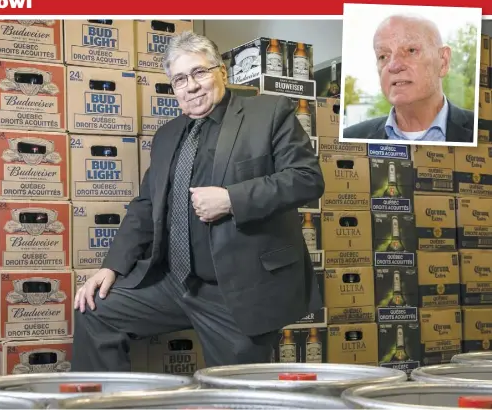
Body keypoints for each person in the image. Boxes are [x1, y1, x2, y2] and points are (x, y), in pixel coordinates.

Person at [71, 31, 325, 371]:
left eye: (199, 73)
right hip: (172, 284)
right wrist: (111, 266)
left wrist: (232, 199)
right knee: (94, 311)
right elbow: (145, 205)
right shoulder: (166, 136)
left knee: (238, 394)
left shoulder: (269, 113)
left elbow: (307, 179)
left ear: (222, 71)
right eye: (179, 79)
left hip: (236, 291)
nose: (191, 86)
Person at [342, 14, 474, 144]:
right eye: (383, 56)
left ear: (443, 61)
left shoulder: (483, 132)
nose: (393, 66)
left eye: (411, 50)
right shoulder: (349, 139)